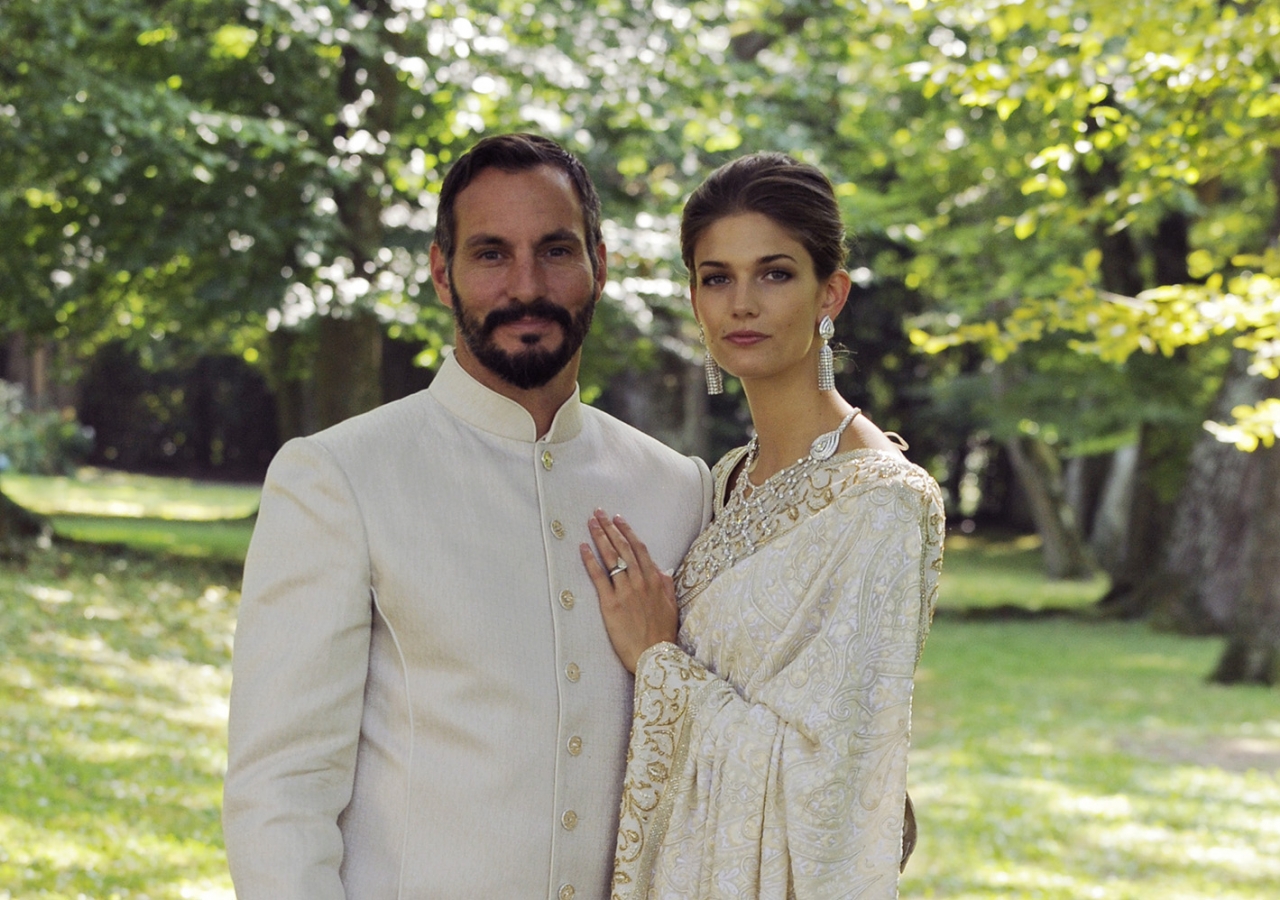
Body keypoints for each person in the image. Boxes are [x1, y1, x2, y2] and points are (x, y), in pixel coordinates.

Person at [222, 133, 713, 900]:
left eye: (555, 251)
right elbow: (281, 792)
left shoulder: (678, 488)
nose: (526, 286)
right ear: (441, 274)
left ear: (600, 266)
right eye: (490, 254)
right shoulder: (340, 478)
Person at [579, 152, 945, 899]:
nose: (741, 302)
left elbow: (834, 786)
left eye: (774, 273)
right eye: (717, 277)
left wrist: (659, 658)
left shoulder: (880, 504)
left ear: (829, 294)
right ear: (695, 299)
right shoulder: (725, 482)